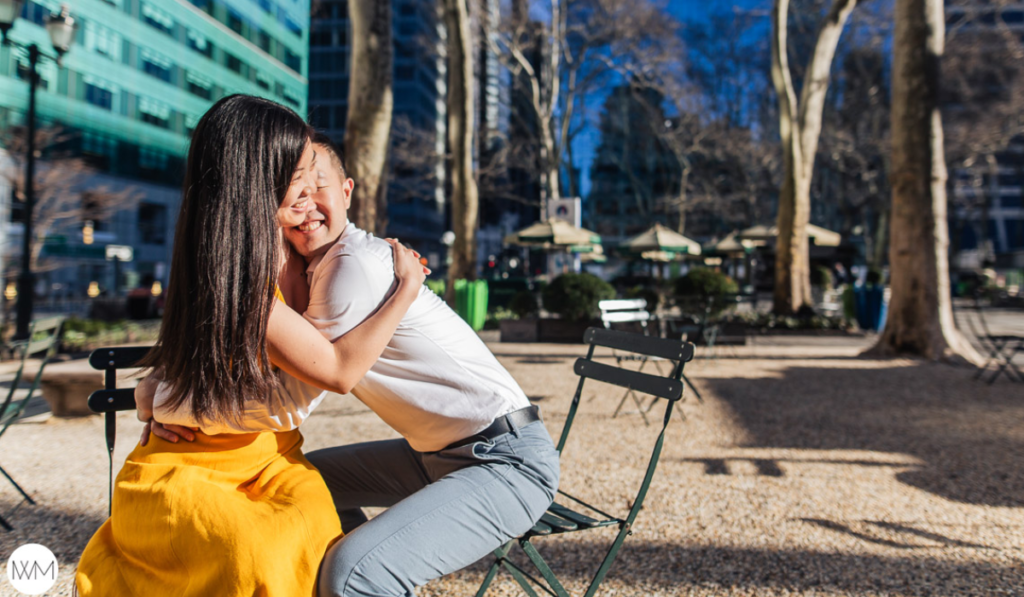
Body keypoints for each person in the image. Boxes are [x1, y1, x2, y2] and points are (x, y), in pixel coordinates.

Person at [148, 133, 561, 597]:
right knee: (298, 486)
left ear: (346, 192)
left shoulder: (352, 266)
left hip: (505, 462)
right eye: (292, 191)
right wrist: (161, 392)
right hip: (435, 457)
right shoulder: (313, 269)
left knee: (353, 574)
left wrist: (170, 405)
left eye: (316, 187)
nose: (306, 204)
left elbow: (293, 399)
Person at [75, 95, 428, 597]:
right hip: (190, 466)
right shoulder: (236, 272)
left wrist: (158, 390)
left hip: (269, 458)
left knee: (313, 531)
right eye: (298, 179)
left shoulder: (299, 245)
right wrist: (407, 289)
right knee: (249, 553)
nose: (311, 190)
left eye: (315, 176)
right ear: (255, 186)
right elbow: (336, 372)